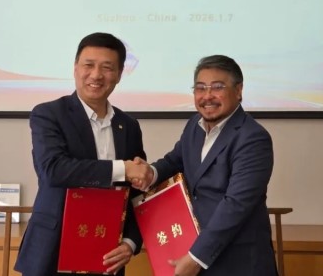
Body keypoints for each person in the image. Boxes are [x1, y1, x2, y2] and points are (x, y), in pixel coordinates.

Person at [15, 32, 150, 276]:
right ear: (75, 68)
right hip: (52, 252)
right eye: (89, 65)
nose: (96, 75)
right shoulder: (48, 114)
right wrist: (123, 169)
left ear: (119, 74)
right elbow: (54, 170)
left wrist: (130, 243)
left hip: (108, 252)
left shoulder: (129, 126)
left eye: (107, 67)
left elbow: (137, 194)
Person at [134, 55, 277, 276]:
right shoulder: (195, 125)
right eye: (200, 88)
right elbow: (174, 161)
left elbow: (236, 205)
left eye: (217, 87)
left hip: (237, 263)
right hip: (196, 250)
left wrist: (196, 257)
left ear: (238, 90)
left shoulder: (252, 138)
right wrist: (149, 173)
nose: (207, 96)